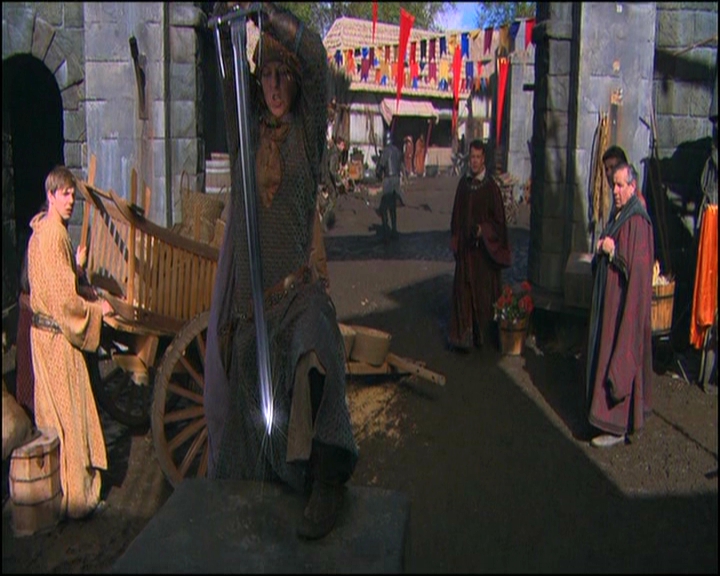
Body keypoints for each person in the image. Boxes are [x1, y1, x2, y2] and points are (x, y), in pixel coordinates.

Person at [205, 1, 358, 541]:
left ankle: (329, 479)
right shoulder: (246, 132)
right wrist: (226, 18)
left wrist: (266, 15)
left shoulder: (308, 132)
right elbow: (230, 76)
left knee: (315, 344)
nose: (274, 86)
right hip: (253, 306)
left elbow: (314, 58)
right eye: (266, 75)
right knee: (248, 436)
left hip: (297, 294)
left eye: (282, 77)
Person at [26, 165, 115, 519]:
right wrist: (97, 310)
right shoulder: (53, 237)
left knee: (56, 418)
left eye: (73, 195)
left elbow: (57, 283)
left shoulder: (41, 231)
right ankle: (79, 500)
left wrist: (77, 271)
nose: (70, 201)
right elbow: (65, 303)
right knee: (72, 418)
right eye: (64, 194)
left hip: (43, 337)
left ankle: (60, 495)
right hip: (58, 339)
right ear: (50, 195)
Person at [586, 163, 654, 448]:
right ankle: (607, 419)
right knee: (606, 351)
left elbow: (638, 267)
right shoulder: (621, 214)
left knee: (620, 353)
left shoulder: (637, 220)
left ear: (632, 187)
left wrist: (613, 252)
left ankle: (617, 425)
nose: (614, 190)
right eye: (613, 184)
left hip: (623, 308)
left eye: (619, 185)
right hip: (612, 303)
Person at [448, 139, 511, 350]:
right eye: (472, 157)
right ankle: (463, 336)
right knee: (463, 293)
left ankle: (482, 336)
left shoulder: (491, 188)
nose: (474, 161)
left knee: (483, 296)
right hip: (466, 252)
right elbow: (456, 216)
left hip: (484, 255)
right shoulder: (463, 185)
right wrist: (457, 240)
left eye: (478, 157)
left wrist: (483, 230)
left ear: (484, 159)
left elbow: (499, 223)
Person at [375, 131, 404, 241]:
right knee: (392, 206)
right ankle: (394, 229)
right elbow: (400, 164)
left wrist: (378, 175)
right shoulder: (397, 151)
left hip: (388, 180)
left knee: (384, 207)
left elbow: (380, 166)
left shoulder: (386, 151)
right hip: (396, 179)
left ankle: (386, 231)